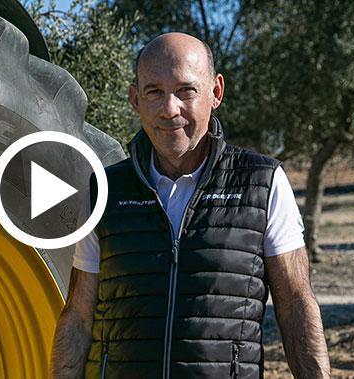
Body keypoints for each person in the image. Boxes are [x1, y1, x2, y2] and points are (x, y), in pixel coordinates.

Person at [50, 32, 330, 378]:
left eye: (186, 91)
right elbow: (78, 317)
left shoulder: (262, 183)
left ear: (216, 92)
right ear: (135, 100)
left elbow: (295, 308)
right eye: (154, 92)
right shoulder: (104, 190)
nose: (170, 109)